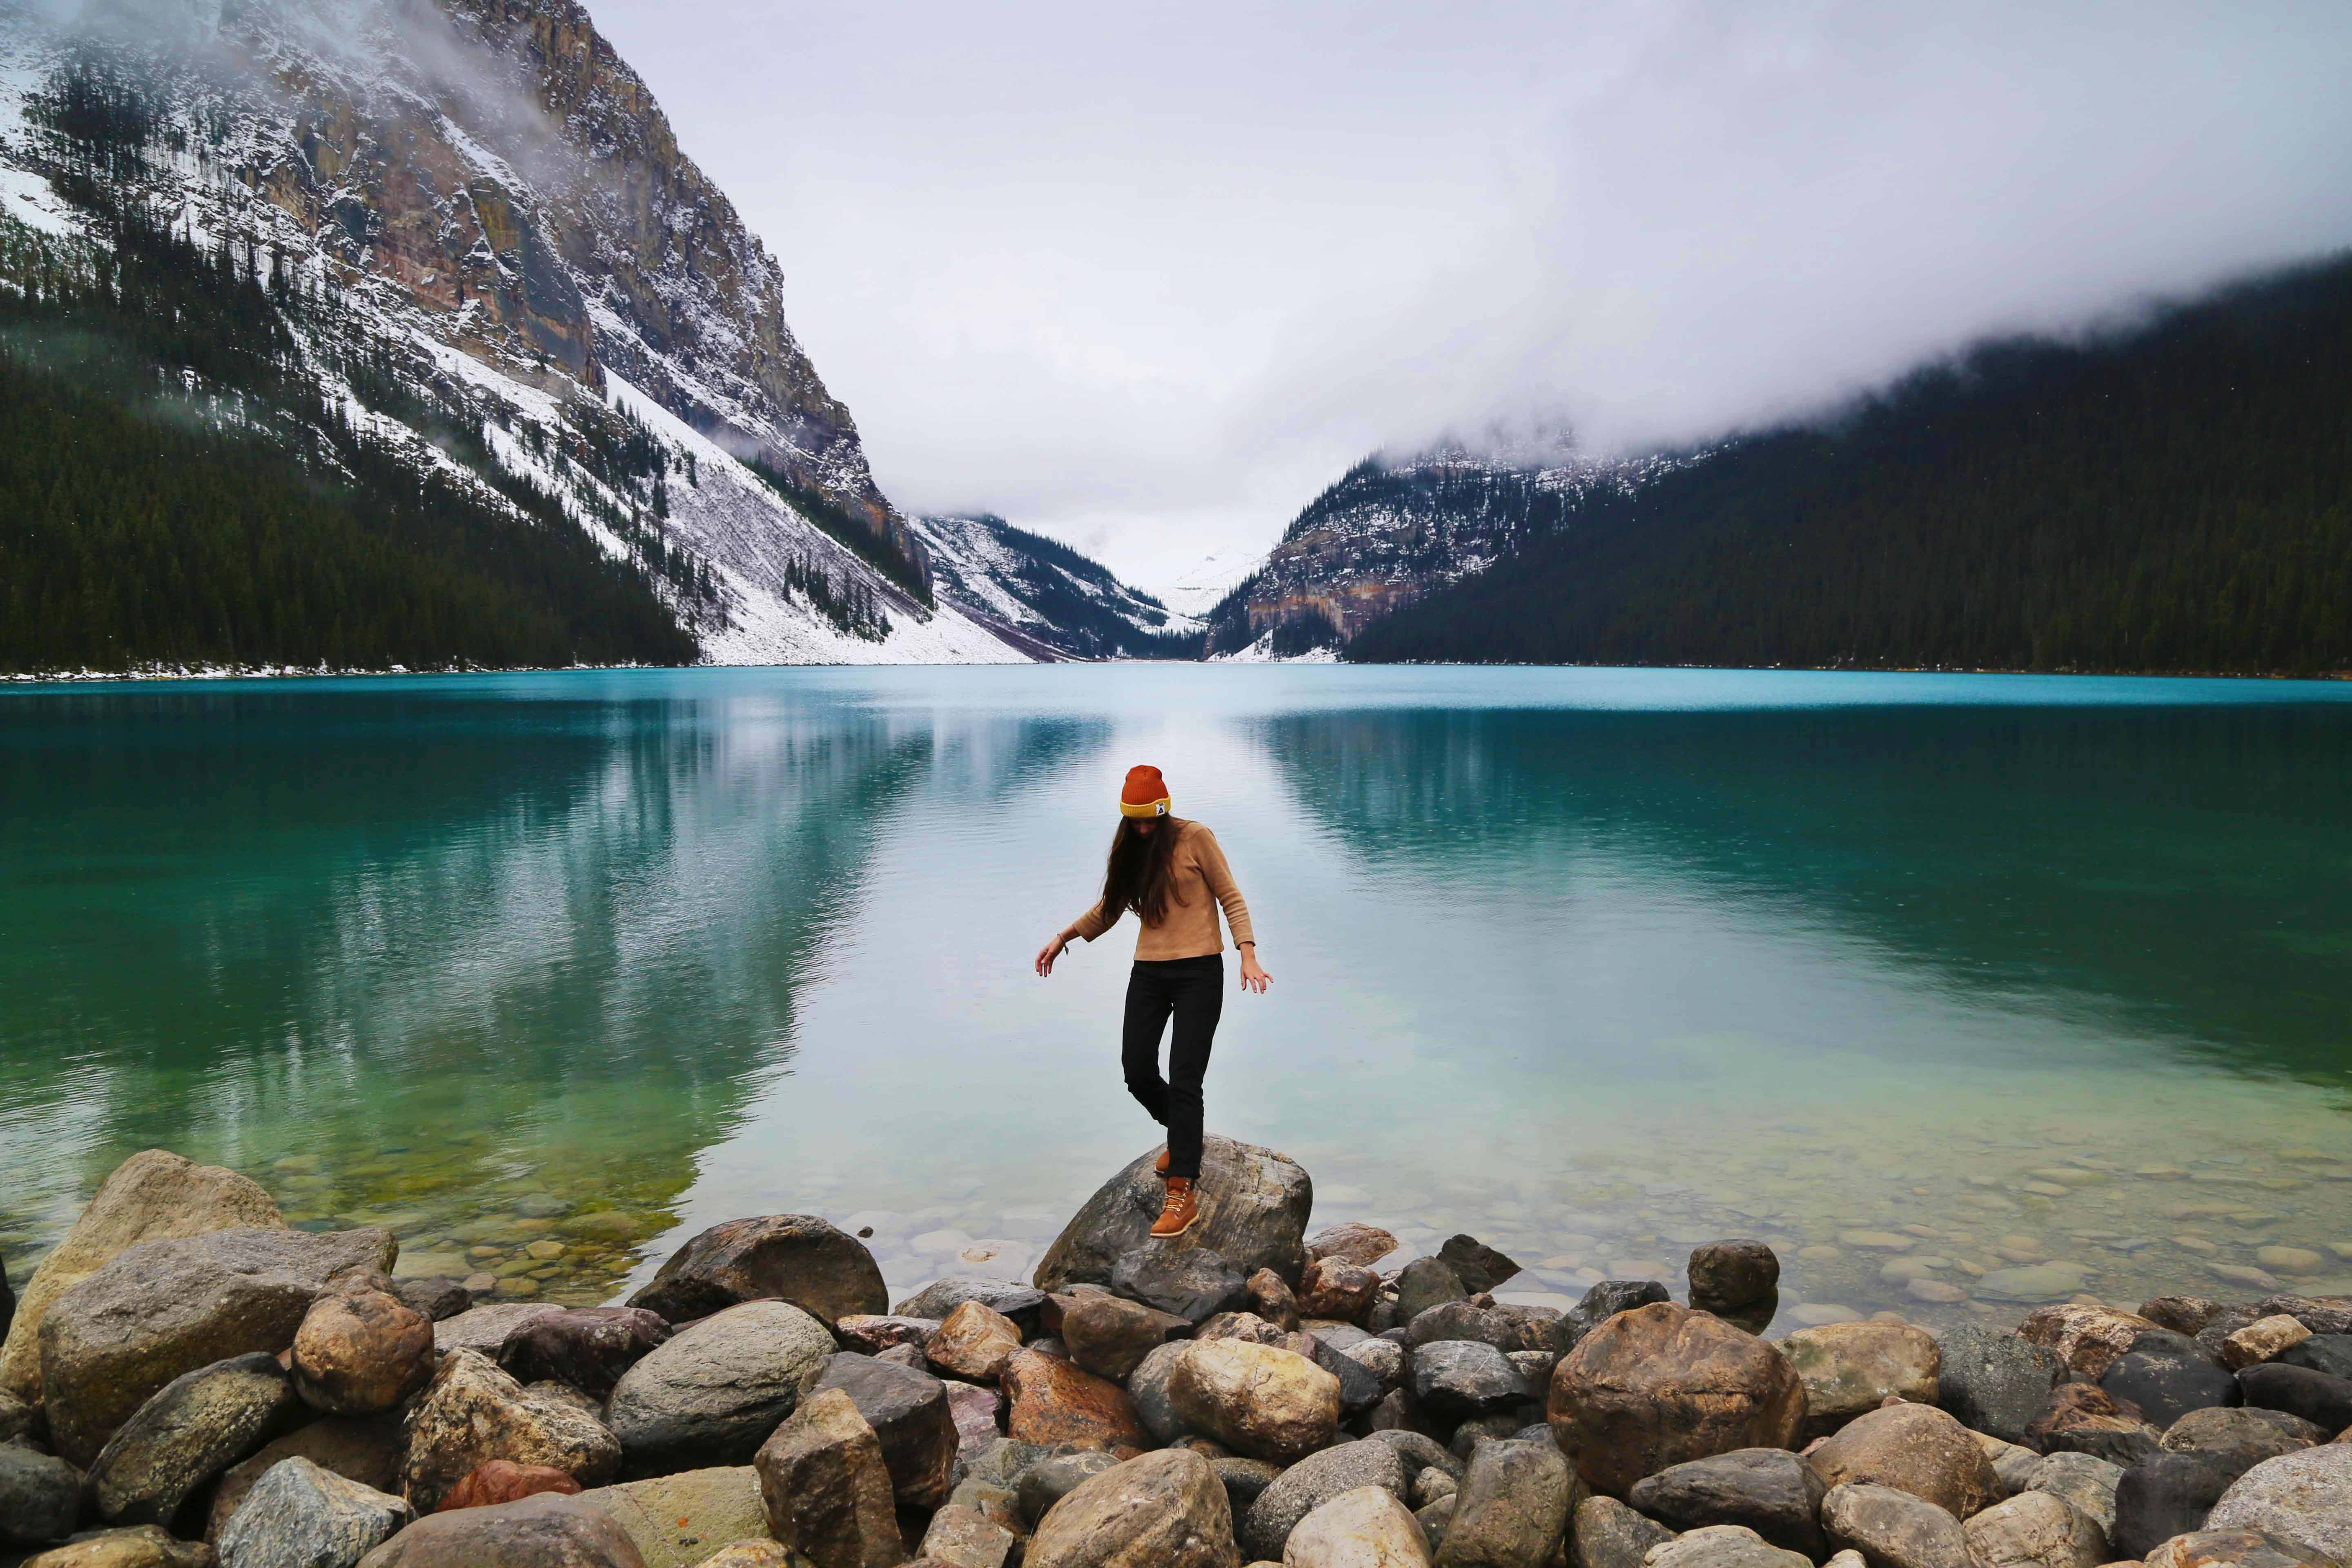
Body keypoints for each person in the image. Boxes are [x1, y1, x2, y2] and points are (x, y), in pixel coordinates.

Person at [1034, 764, 1270, 1237]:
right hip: (1149, 972)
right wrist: (1064, 938)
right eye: (1135, 821)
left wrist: (1248, 954)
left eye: (1150, 821)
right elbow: (1111, 907)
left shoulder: (1195, 837)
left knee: (1186, 1078)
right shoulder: (1131, 850)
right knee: (1136, 1070)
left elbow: (1232, 898)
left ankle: (1182, 1192)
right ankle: (1186, 1136)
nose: (1143, 829)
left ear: (1164, 812)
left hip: (1200, 971)